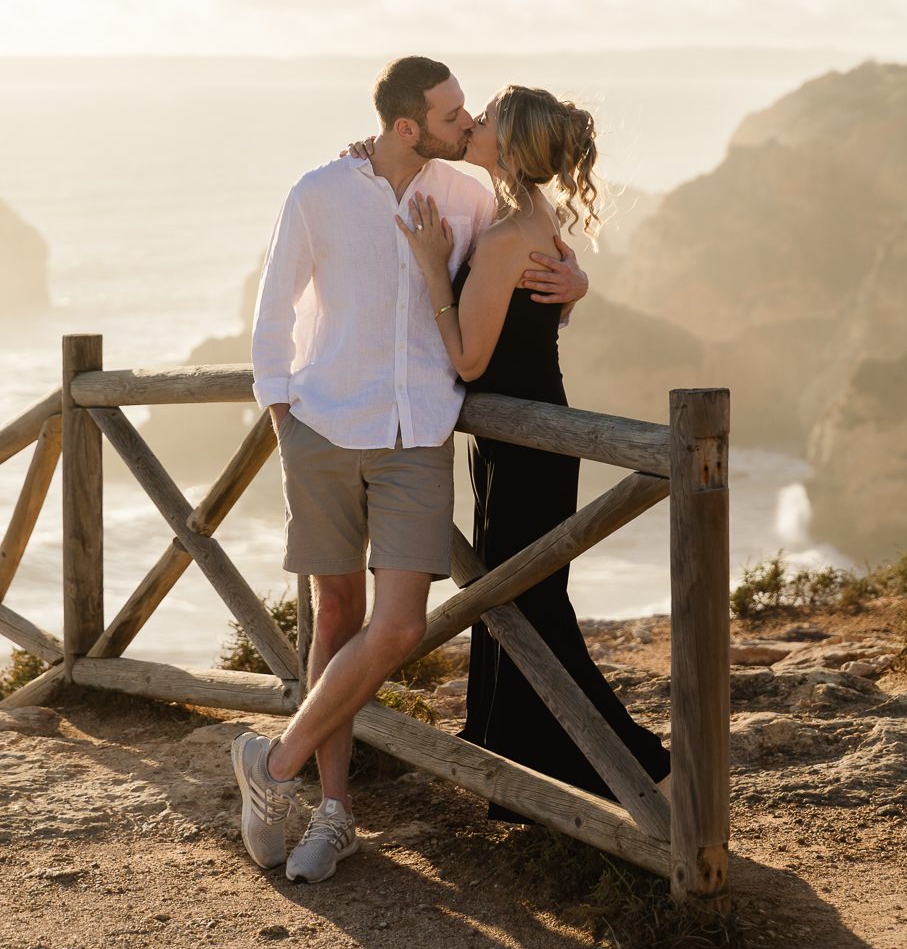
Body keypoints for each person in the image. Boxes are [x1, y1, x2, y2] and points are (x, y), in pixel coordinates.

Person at [239, 57, 587, 885]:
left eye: (472, 113)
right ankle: (331, 812)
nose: (467, 124)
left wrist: (579, 281)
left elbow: (541, 257)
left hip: (418, 434)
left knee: (397, 627)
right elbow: (275, 304)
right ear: (406, 126)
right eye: (452, 114)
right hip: (323, 425)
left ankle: (270, 762)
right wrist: (280, 405)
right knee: (334, 619)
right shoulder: (319, 192)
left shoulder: (469, 195)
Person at [394, 84, 670, 815]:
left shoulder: (505, 233)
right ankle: (512, 766)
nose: (476, 123)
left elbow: (471, 361)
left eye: (486, 119)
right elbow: (533, 324)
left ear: (510, 148)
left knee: (524, 608)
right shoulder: (526, 217)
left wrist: (430, 262)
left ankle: (635, 768)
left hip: (525, 439)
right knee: (515, 601)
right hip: (524, 433)